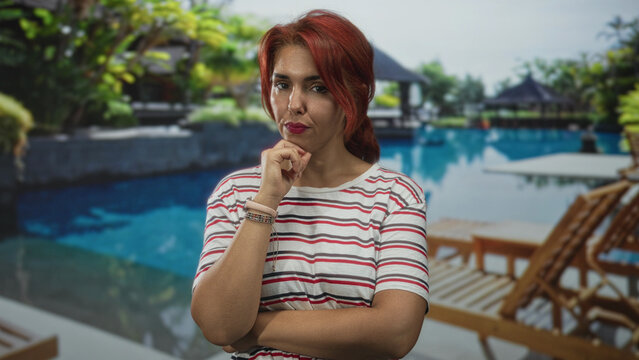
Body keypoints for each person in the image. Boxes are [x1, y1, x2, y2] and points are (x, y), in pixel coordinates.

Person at [191, 9, 429, 360]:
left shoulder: (395, 197)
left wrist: (251, 330)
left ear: (354, 95)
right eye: (282, 84)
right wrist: (266, 201)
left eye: (317, 87)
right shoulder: (235, 192)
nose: (293, 105)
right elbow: (216, 324)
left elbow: (395, 332)